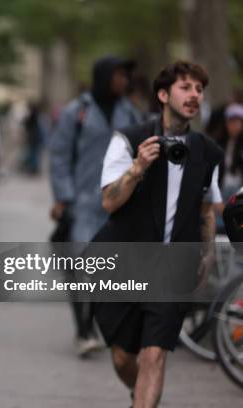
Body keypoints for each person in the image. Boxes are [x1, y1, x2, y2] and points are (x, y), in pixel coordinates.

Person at [94, 61, 222, 407]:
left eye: (199, 89)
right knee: (123, 357)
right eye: (186, 87)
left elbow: (208, 209)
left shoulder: (207, 152)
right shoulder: (129, 139)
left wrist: (206, 256)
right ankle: (141, 395)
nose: (194, 95)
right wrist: (137, 169)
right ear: (164, 95)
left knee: (155, 353)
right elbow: (108, 202)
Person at [50, 56, 141, 357]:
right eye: (117, 75)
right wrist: (64, 197)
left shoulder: (130, 113)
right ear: (103, 76)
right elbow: (60, 156)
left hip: (118, 202)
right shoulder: (76, 112)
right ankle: (83, 330)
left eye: (124, 76)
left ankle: (93, 324)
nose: (122, 81)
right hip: (83, 203)